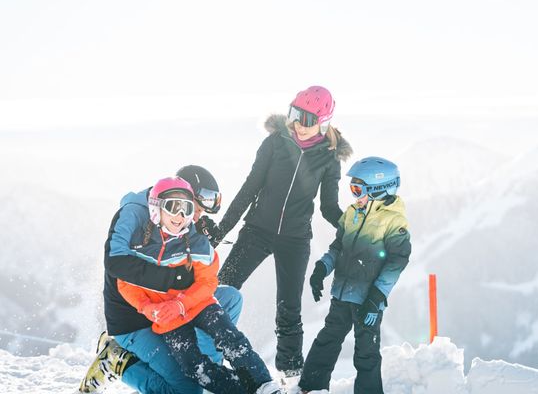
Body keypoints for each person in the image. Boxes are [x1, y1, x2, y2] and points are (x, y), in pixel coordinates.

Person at [200, 86, 352, 380]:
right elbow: (249, 189)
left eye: (307, 119)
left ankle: (291, 372)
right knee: (220, 290)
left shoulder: (328, 158)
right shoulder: (274, 143)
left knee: (289, 308)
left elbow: (329, 207)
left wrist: (354, 227)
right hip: (257, 229)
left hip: (295, 239)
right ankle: (207, 354)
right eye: (295, 114)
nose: (298, 124)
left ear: (322, 122)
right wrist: (220, 232)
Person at [78, 167, 248, 394]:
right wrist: (175, 279)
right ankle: (120, 362)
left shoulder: (180, 220)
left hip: (169, 306)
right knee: (187, 391)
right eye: (196, 208)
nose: (196, 216)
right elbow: (115, 263)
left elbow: (190, 270)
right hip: (134, 315)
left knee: (230, 298)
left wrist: (204, 244)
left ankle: (208, 373)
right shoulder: (134, 213)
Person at [111, 176, 282, 394]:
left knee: (229, 339)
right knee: (193, 366)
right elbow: (126, 284)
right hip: (168, 319)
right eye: (173, 207)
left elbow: (208, 280)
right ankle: (238, 390)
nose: (180, 215)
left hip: (200, 306)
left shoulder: (196, 243)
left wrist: (182, 304)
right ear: (156, 208)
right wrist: (147, 307)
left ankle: (263, 384)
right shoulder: (139, 246)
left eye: (187, 208)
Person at [297, 157, 412, 394]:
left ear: (379, 190)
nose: (354, 195)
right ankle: (310, 388)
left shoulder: (394, 221)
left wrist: (376, 297)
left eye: (358, 189)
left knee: (366, 352)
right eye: (352, 188)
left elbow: (397, 261)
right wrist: (322, 269)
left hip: (368, 301)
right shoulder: (352, 214)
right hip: (342, 293)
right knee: (327, 340)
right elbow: (338, 247)